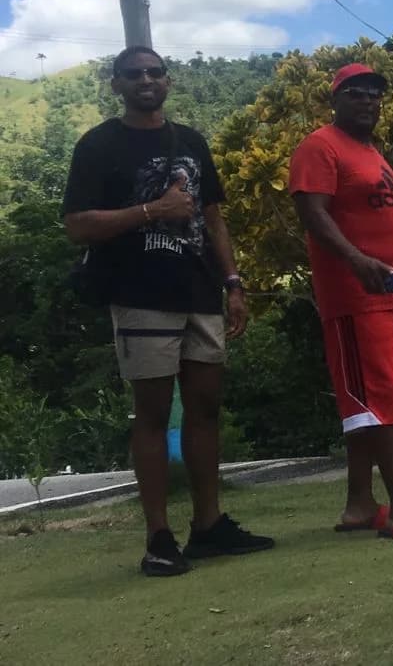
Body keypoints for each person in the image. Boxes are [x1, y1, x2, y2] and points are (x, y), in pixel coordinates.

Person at [62, 46, 274, 577]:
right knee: (153, 416)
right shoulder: (98, 145)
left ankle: (209, 526)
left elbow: (213, 218)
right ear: (116, 86)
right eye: (134, 74)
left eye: (155, 72)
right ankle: (159, 537)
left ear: (169, 81)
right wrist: (153, 211)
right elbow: (77, 225)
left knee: (205, 409)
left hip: (200, 293)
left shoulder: (192, 142)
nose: (146, 80)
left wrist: (234, 283)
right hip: (139, 295)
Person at [290, 62, 393, 539]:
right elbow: (312, 213)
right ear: (335, 98)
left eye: (375, 93)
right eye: (356, 92)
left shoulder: (372, 151)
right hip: (357, 296)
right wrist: (356, 260)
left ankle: (359, 503)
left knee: (382, 398)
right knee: (377, 401)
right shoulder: (320, 146)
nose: (368, 101)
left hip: (392, 296)